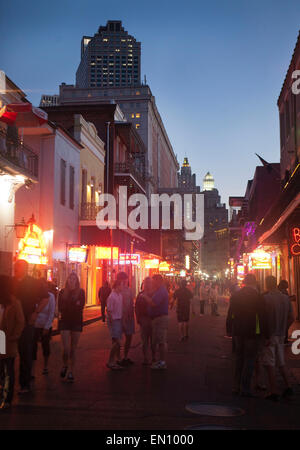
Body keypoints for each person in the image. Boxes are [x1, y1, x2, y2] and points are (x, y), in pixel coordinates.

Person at [226, 273, 269, 397]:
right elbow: (263, 317)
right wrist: (266, 334)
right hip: (252, 332)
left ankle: (236, 386)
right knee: (250, 360)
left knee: (239, 358)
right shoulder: (258, 297)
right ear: (254, 283)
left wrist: (229, 329)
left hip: (238, 331)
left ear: (244, 282)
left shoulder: (236, 296)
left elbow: (230, 313)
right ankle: (245, 388)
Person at [13, 260, 49, 394]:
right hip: (10, 323)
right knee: (5, 352)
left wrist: (36, 313)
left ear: (25, 268)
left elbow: (46, 298)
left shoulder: (34, 283)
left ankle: (24, 383)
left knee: (25, 352)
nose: (16, 269)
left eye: (18, 267)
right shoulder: (11, 282)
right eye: (15, 267)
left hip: (27, 322)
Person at [261, 276, 294, 401]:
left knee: (269, 363)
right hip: (281, 335)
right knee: (281, 362)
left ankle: (273, 391)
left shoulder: (265, 299)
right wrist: (284, 328)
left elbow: (263, 319)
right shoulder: (286, 299)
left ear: (267, 284)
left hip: (270, 335)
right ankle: (288, 386)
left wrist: (264, 334)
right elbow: (292, 317)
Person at [0, 276, 25, 410]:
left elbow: (20, 321)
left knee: (8, 369)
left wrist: (14, 336)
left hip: (7, 339)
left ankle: (8, 398)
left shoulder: (14, 303)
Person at [58, 272, 85, 383]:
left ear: (77, 281)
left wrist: (72, 305)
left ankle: (71, 371)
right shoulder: (62, 292)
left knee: (73, 349)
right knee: (66, 348)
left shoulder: (81, 292)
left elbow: (81, 305)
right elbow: (60, 307)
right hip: (65, 321)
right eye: (70, 278)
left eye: (74, 279)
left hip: (76, 321)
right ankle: (65, 365)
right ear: (67, 280)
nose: (72, 280)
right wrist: (74, 304)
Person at [32, 279, 56, 377]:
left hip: (45, 324)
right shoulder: (34, 296)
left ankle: (45, 366)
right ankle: (32, 369)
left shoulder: (51, 297)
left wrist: (47, 326)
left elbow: (51, 313)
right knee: (33, 346)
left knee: (45, 345)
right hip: (34, 324)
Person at [145, 274, 169, 370]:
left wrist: (144, 297)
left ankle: (162, 362)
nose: (153, 283)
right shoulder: (159, 290)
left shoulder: (161, 291)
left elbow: (153, 303)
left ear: (159, 281)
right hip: (158, 318)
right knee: (159, 340)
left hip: (160, 318)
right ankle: (160, 360)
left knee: (161, 341)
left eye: (154, 281)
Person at [117, 272, 135, 367]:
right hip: (119, 318)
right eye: (122, 279)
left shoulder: (129, 290)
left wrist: (132, 315)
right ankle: (118, 358)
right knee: (117, 339)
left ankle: (125, 356)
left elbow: (131, 303)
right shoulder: (116, 291)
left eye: (126, 279)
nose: (124, 281)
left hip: (128, 318)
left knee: (129, 337)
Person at [135, 277, 155, 365]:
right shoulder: (140, 294)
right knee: (145, 341)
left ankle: (153, 357)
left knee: (153, 341)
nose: (147, 285)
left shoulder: (155, 294)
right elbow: (137, 308)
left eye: (149, 283)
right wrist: (138, 318)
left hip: (153, 319)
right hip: (144, 319)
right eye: (146, 283)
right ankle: (146, 358)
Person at [106, 280, 124, 370]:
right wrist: (112, 322)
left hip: (119, 320)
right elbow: (109, 310)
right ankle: (110, 361)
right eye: (121, 285)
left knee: (116, 342)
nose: (123, 287)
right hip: (114, 320)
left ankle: (114, 361)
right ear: (117, 286)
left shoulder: (119, 295)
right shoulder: (112, 296)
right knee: (117, 342)